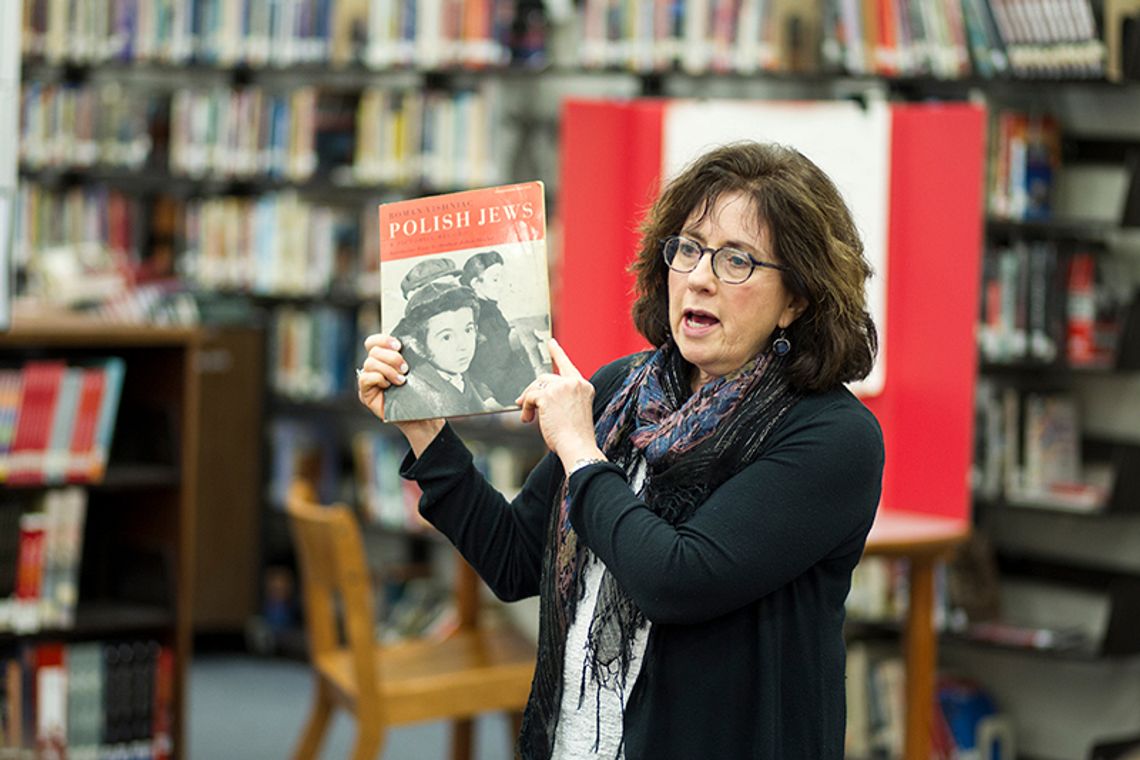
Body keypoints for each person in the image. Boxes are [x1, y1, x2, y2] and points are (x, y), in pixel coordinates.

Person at [358, 141, 885, 759]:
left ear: (796, 298)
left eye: (737, 261)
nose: (700, 278)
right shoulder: (619, 391)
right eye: (688, 249)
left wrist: (581, 451)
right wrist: (425, 430)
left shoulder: (832, 435)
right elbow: (512, 560)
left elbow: (675, 579)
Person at [382, 270, 498, 422]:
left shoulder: (457, 371)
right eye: (447, 337)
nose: (463, 345)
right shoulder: (407, 402)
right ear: (418, 346)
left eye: (468, 330)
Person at [461, 249, 543, 405]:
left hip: (512, 385)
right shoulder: (476, 316)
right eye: (495, 280)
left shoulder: (490, 308)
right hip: (501, 397)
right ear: (476, 284)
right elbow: (481, 368)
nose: (502, 285)